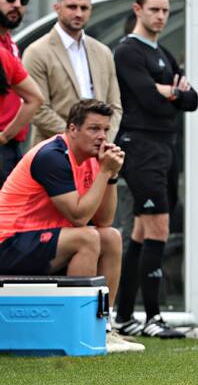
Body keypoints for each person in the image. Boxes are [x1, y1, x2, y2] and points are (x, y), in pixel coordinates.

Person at [0, 99, 141, 353]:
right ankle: (82, 331)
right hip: (9, 243)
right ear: (72, 129)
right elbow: (78, 217)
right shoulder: (52, 156)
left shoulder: (92, 158)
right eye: (93, 129)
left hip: (38, 241)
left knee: (110, 237)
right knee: (86, 238)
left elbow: (104, 221)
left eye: (105, 130)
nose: (101, 137)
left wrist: (110, 175)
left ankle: (104, 329)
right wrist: (103, 172)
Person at [113, 0, 198, 339]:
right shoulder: (128, 51)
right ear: (138, 9)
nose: (161, 16)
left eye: (165, 10)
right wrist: (170, 91)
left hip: (166, 145)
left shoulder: (162, 52)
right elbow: (147, 99)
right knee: (158, 227)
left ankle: (124, 315)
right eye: (154, 10)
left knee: (142, 232)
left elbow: (192, 100)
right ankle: (152, 317)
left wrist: (172, 93)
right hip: (141, 146)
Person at [22, 0, 122, 146]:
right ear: (57, 8)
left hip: (97, 153)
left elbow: (115, 106)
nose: (78, 13)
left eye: (84, 8)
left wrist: (101, 139)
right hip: (53, 150)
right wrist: (78, 139)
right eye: (72, 7)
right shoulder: (37, 52)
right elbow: (38, 109)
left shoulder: (103, 52)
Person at [0, 0, 35, 183]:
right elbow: (35, 98)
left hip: (11, 145)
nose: (17, 4)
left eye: (23, 0)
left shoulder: (10, 43)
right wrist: (4, 136)